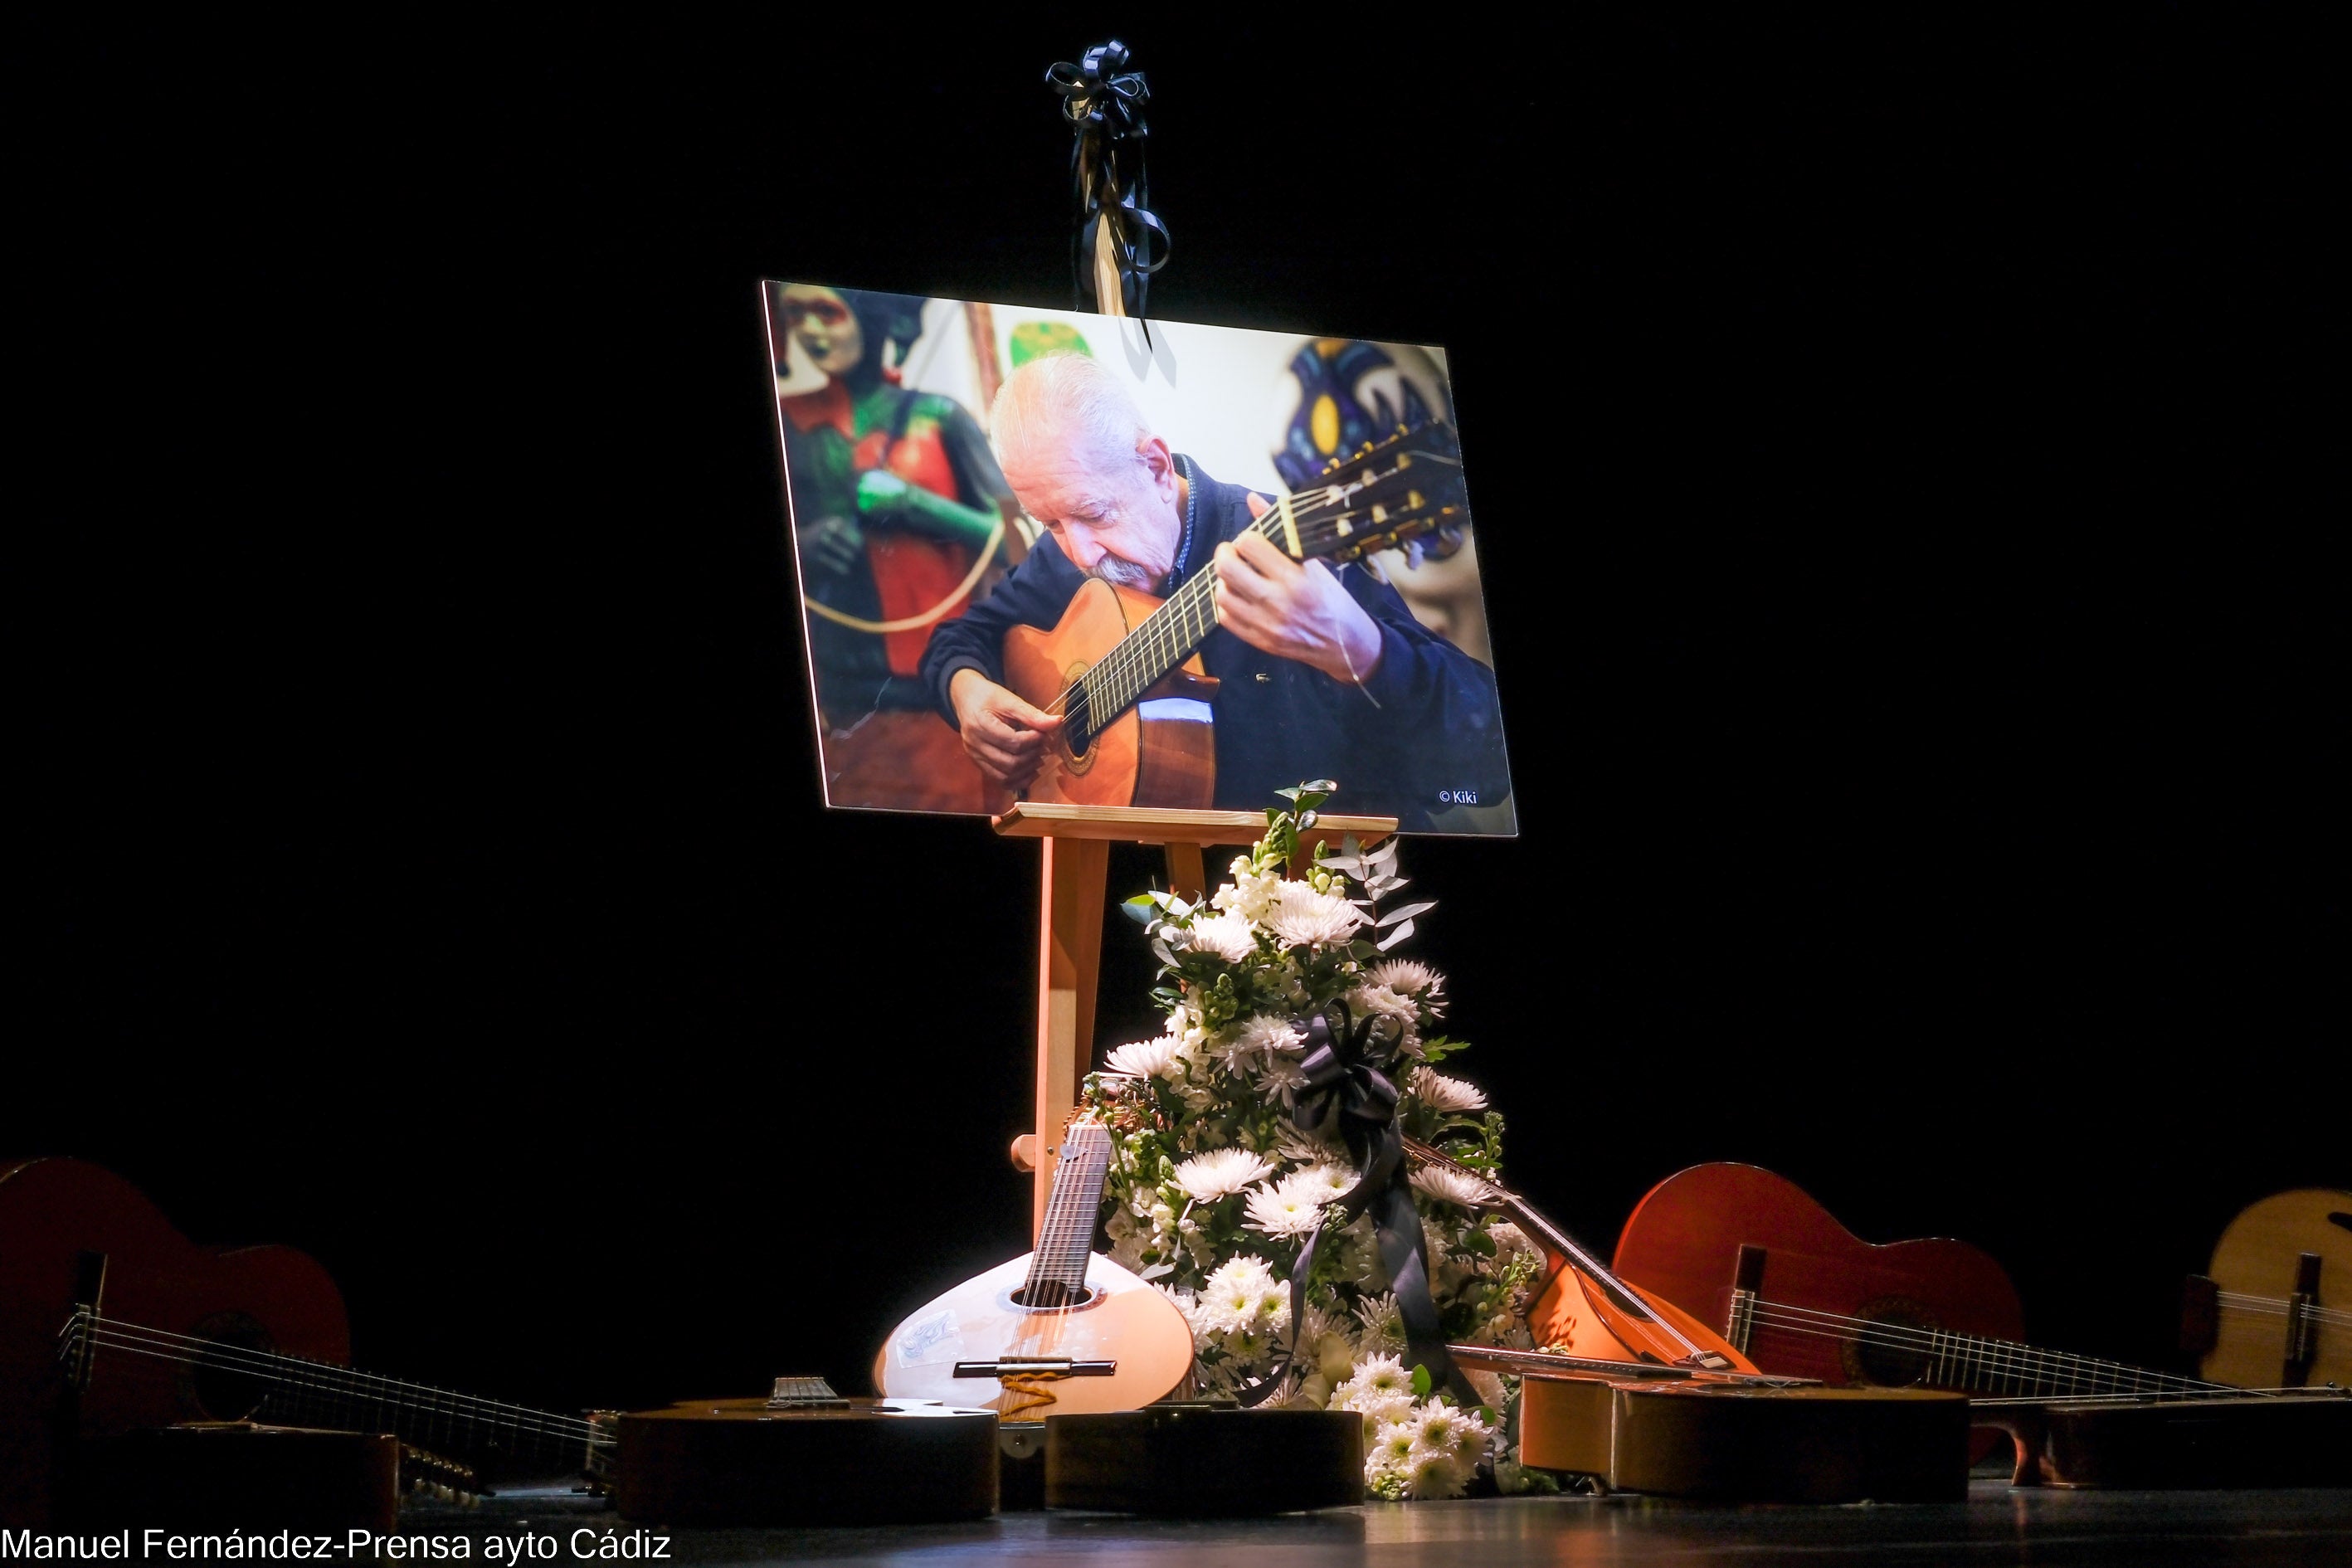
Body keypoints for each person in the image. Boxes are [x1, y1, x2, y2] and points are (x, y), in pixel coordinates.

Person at [919, 353, 1511, 830]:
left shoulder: (1293, 558)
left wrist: (1361, 651)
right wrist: (966, 692)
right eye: (1048, 523)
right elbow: (962, 638)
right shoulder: (1066, 553)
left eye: (1094, 514)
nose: (1079, 554)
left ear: (1155, 467)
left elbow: (1485, 773)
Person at [771, 284, 1014, 811]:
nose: (809, 330)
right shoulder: (787, 426)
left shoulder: (939, 417)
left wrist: (915, 503)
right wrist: (804, 545)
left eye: (826, 312)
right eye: (796, 314)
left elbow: (1016, 541)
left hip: (944, 692)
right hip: (837, 700)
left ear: (875, 315)